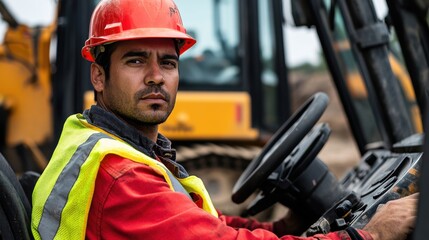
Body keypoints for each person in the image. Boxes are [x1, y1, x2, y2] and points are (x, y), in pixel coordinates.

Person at [31, 0, 418, 239]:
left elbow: (203, 228)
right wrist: (370, 234)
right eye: (135, 60)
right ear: (98, 75)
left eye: (167, 61)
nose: (155, 76)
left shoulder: (107, 145)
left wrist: (283, 229)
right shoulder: (121, 176)